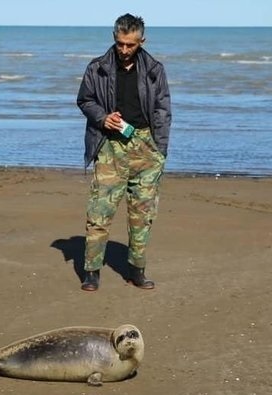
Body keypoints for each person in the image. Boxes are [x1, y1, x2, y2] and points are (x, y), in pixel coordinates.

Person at [76, 13, 171, 292]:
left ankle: (136, 270)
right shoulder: (98, 68)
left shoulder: (155, 69)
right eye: (120, 44)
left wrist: (160, 150)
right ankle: (91, 271)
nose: (124, 50)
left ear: (142, 41)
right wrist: (102, 117)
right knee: (99, 212)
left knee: (142, 214)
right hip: (109, 146)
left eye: (130, 44)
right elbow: (84, 99)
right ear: (114, 39)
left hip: (146, 147)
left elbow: (163, 110)